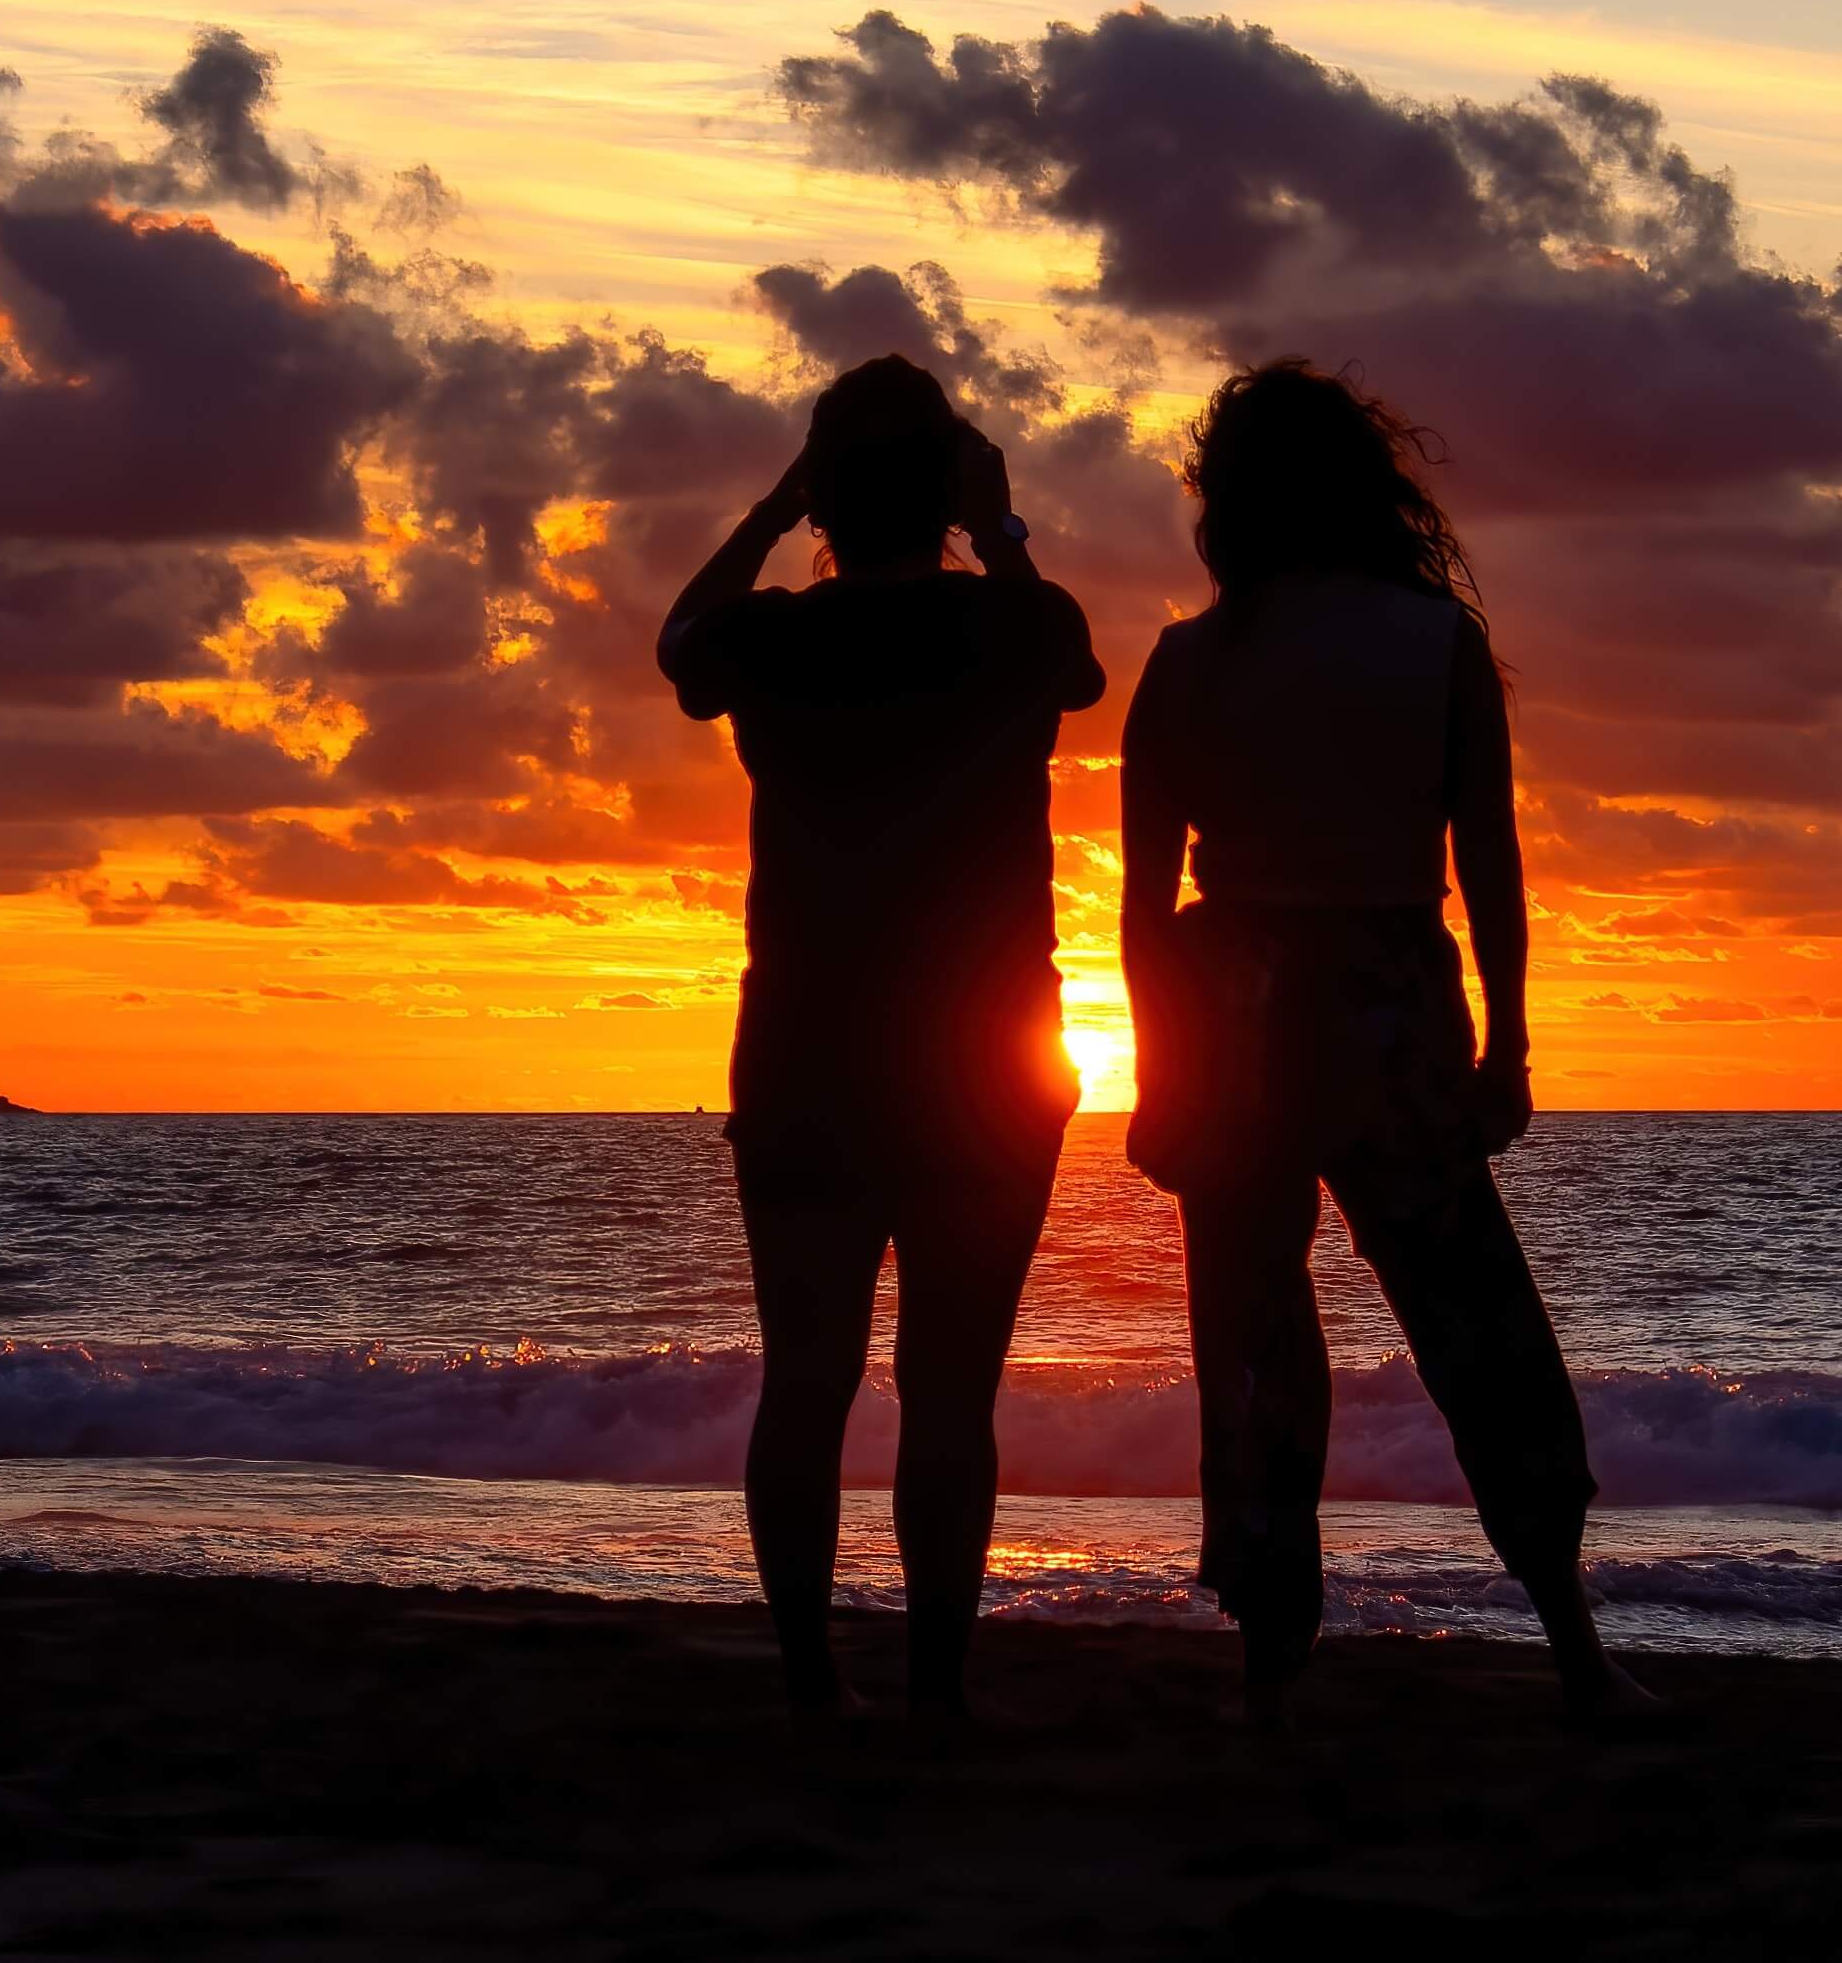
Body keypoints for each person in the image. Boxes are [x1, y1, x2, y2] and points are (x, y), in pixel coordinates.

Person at [1117, 360, 1639, 1719]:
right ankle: (1573, 1646)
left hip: (1229, 1002)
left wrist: (1162, 1068)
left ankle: (1269, 1656)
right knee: (1475, 1321)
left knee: (1250, 1334)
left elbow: (1141, 901)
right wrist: (1508, 1048)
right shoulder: (1430, 641)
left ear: (1228, 504)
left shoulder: (1188, 657)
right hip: (1387, 989)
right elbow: (1492, 864)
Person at [656, 356, 1103, 1721]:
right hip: (984, 1068)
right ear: (953, 492)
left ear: (825, 499)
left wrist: (774, 507)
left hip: (807, 1059)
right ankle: (937, 1686)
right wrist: (1008, 524)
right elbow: (1075, 674)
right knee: (949, 1392)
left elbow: (683, 643)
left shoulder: (778, 639)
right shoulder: (1010, 628)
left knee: (807, 1381)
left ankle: (807, 1678)